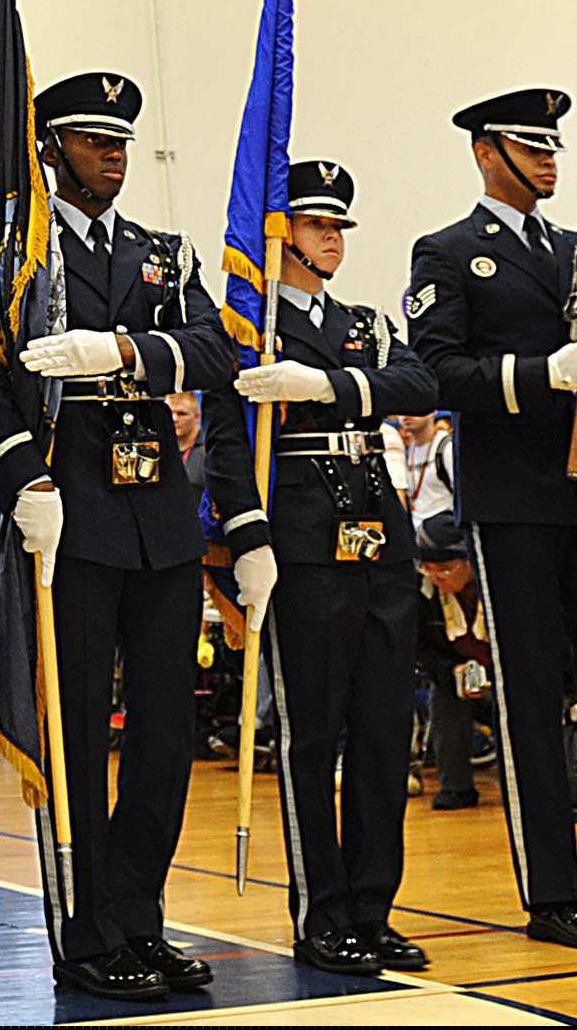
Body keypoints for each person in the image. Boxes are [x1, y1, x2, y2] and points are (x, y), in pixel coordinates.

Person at [0, 71, 263, 1005]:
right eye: (92, 141)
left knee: (165, 736)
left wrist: (126, 351)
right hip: (71, 517)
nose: (113, 156)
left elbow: (221, 351)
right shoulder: (17, 259)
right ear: (51, 149)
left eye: (121, 140)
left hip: (160, 524)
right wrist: (19, 479)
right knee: (77, 735)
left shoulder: (163, 254)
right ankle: (85, 931)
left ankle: (140, 915)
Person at [403, 87, 577, 953]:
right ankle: (555, 893)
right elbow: (436, 371)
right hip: (517, 498)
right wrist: (541, 374)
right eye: (532, 147)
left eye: (555, 148)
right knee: (530, 695)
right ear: (488, 153)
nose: (551, 162)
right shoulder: (449, 251)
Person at [204, 160, 439, 977]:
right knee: (314, 735)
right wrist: (249, 537)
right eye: (317, 225)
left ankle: (374, 909)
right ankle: (322, 912)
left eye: (339, 226)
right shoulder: (249, 329)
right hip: (302, 535)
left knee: (382, 733)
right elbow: (229, 445)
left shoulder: (364, 324)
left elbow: (419, 379)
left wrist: (330, 384)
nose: (333, 238)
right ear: (282, 234)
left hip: (377, 530)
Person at [414, 513, 494, 810]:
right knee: (444, 695)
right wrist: (451, 671)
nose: (436, 577)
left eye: (446, 569)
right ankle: (456, 789)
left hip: (509, 680)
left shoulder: (499, 588)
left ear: (470, 562)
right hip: (462, 678)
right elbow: (421, 647)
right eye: (428, 569)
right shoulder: (423, 592)